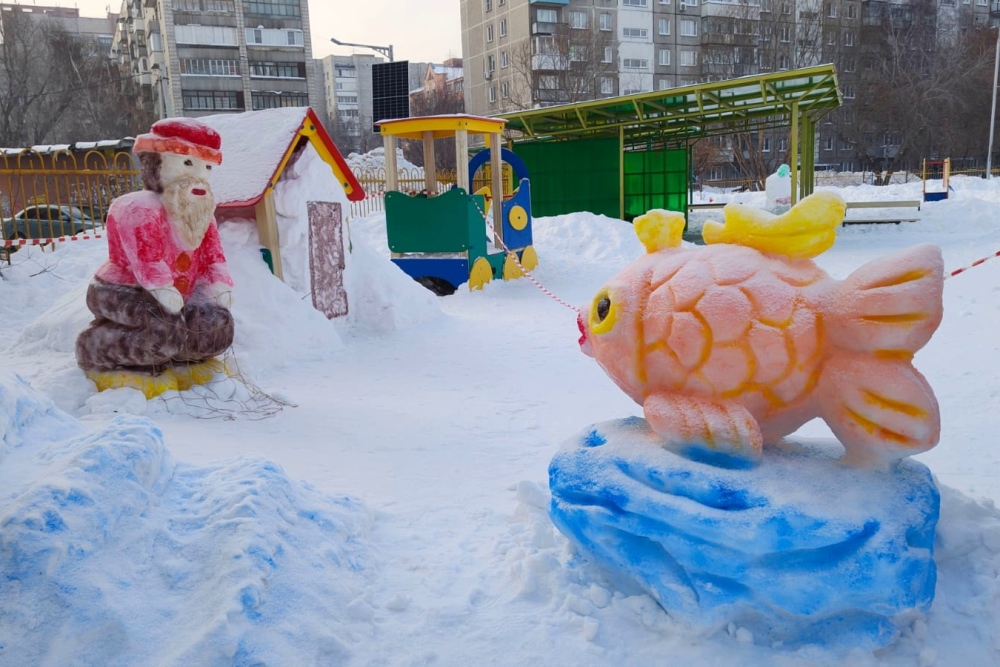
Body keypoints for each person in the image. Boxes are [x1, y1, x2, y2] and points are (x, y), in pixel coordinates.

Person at [76, 118, 234, 373]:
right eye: (187, 163)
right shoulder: (138, 207)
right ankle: (95, 347)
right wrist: (161, 286)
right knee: (163, 328)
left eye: (206, 167)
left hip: (180, 295)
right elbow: (146, 257)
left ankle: (177, 360)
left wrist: (218, 283)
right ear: (156, 164)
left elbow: (213, 256)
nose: (198, 176)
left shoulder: (201, 212)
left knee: (214, 326)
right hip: (123, 290)